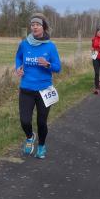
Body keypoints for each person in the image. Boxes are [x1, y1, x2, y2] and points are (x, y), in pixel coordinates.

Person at [14, 13, 62, 159]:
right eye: (32, 25)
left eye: (38, 25)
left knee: (41, 122)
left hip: (44, 89)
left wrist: (47, 64)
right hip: (26, 88)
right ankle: (30, 137)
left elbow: (58, 67)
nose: (34, 27)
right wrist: (18, 68)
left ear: (43, 27)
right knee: (24, 121)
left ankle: (41, 146)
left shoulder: (50, 46)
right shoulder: (24, 44)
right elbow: (18, 57)